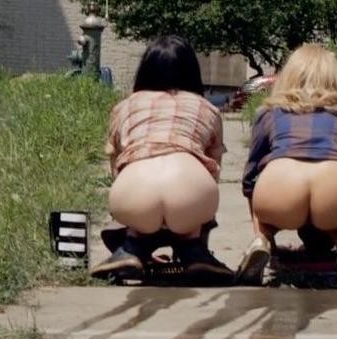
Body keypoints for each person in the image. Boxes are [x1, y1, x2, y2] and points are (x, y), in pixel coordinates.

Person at [91, 35, 235, 282]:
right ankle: (193, 251)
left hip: (133, 192)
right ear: (192, 72)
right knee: (188, 204)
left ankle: (132, 246)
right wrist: (196, 214)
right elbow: (214, 171)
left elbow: (116, 166)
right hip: (190, 194)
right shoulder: (207, 109)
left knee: (142, 213)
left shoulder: (124, 107)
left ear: (145, 70)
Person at [238, 43, 337, 286]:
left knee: (257, 189)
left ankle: (261, 241)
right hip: (334, 187)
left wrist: (258, 208)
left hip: (283, 184)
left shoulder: (269, 112)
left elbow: (251, 175)